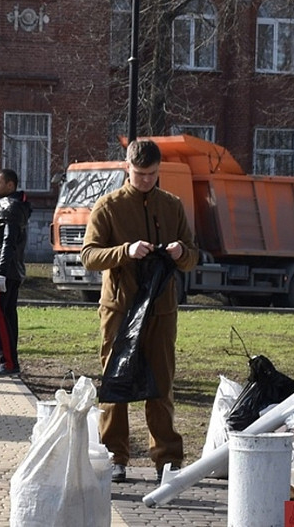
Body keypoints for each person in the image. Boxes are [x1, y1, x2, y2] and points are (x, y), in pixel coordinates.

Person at [80, 139, 199, 483]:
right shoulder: (108, 206)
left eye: (152, 174)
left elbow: (193, 256)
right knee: (116, 382)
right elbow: (88, 256)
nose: (146, 180)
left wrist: (181, 253)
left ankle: (167, 459)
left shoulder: (171, 205)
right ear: (126, 168)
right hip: (119, 309)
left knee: (161, 384)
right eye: (139, 174)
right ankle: (114, 455)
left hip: (161, 309)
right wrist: (125, 251)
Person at [0, 169, 31, 376]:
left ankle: (8, 363)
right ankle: (9, 361)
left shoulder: (9, 207)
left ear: (10, 185)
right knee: (6, 315)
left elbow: (8, 242)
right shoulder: (12, 206)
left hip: (0, 269)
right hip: (3, 268)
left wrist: (0, 272)